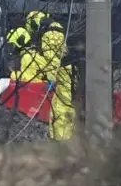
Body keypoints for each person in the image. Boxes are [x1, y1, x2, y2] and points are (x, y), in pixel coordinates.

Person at [4, 10, 74, 141]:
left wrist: (53, 80)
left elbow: (53, 61)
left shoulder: (50, 34)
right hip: (65, 76)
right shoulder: (51, 33)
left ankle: (63, 142)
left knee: (61, 110)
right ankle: (61, 141)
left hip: (63, 78)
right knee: (59, 112)